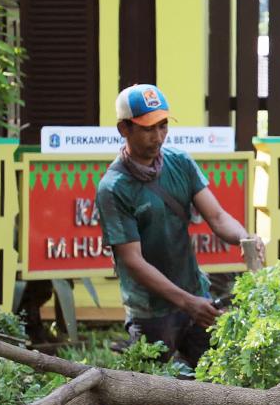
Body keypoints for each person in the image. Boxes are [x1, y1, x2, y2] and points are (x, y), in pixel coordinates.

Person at [96, 84, 262, 366]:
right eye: (148, 128)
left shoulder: (180, 162)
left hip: (196, 295)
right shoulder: (113, 188)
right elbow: (132, 261)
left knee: (216, 377)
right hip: (151, 310)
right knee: (152, 388)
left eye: (163, 126)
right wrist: (187, 303)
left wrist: (246, 239)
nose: (158, 137)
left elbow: (218, 217)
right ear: (124, 129)